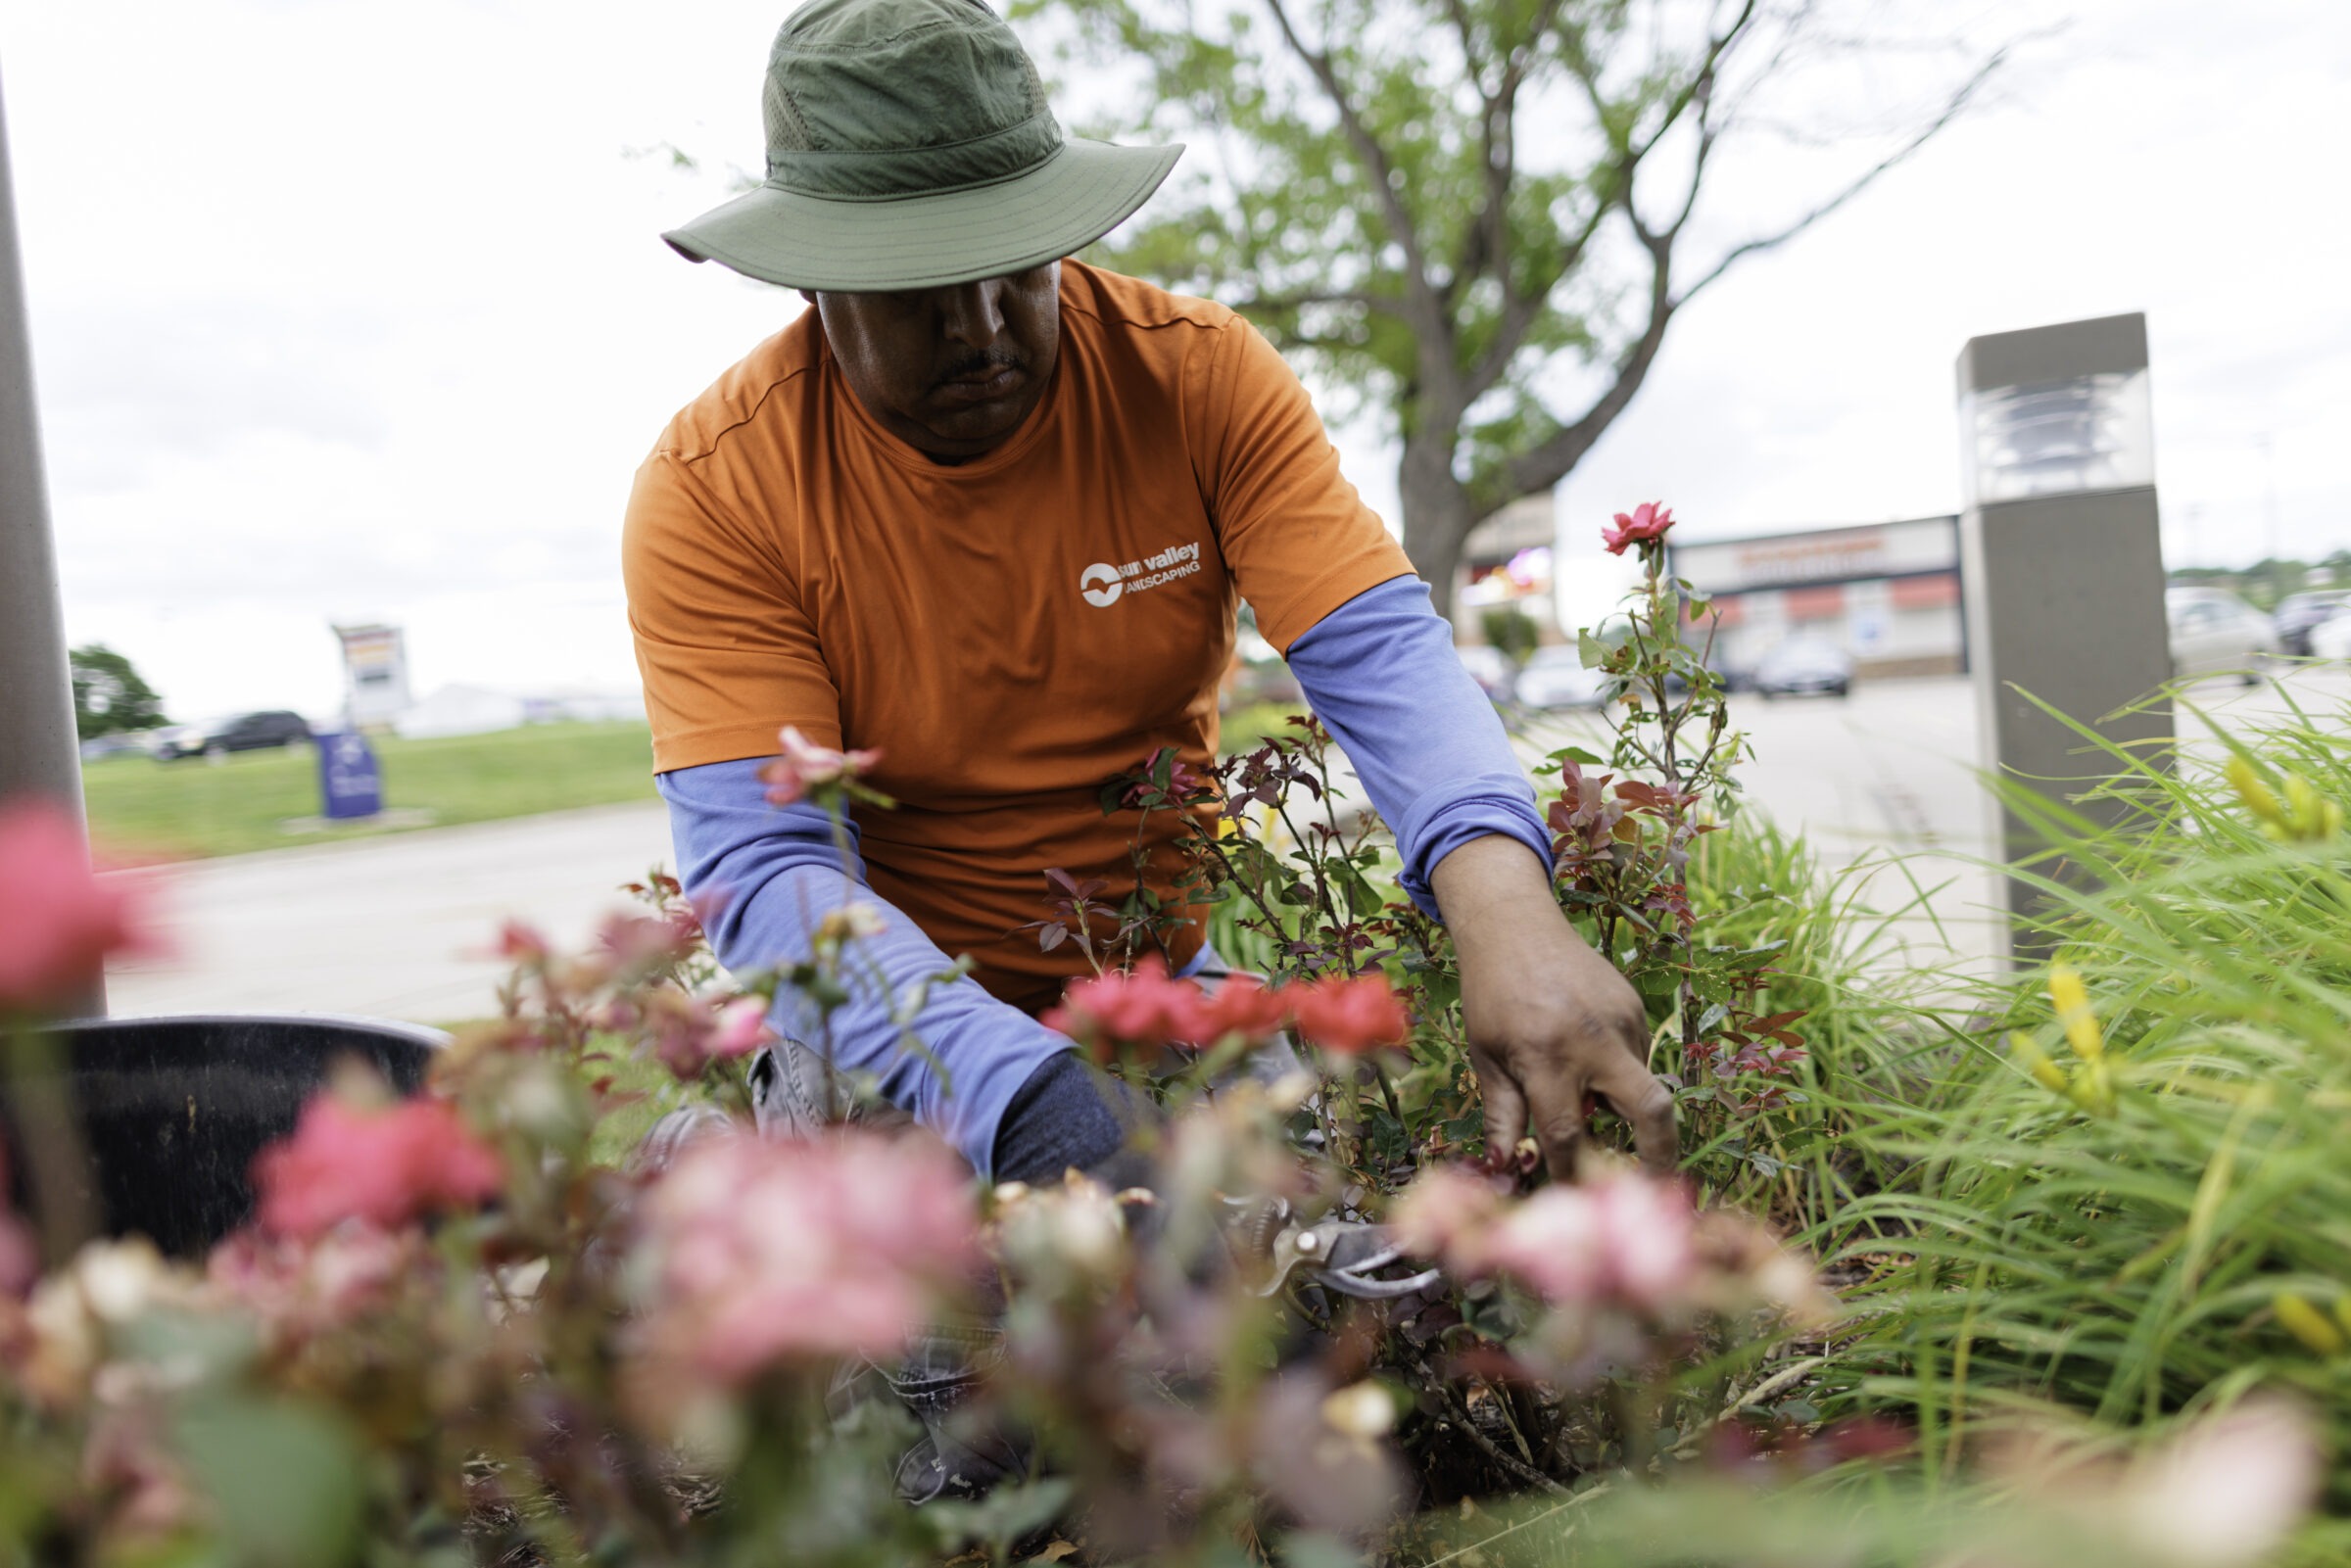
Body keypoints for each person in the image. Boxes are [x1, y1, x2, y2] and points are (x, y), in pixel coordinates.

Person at [623, 0, 1673, 1191]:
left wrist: (1506, 912)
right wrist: (1017, 1092)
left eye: (1015, 266)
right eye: (919, 290)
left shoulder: (1195, 378)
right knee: (935, 1362)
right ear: (814, 285)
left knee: (1276, 1307)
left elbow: (1381, 657)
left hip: (1156, 974)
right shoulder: (718, 489)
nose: (980, 330)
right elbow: (764, 868)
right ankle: (720, 1185)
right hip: (887, 1007)